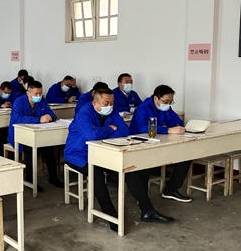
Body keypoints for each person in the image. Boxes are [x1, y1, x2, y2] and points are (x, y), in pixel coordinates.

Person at [64, 89, 173, 231]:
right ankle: (110, 214)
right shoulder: (84, 114)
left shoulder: (112, 110)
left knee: (129, 169)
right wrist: (110, 128)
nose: (110, 106)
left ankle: (147, 210)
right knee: (96, 173)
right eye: (106, 103)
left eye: (112, 102)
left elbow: (124, 131)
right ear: (95, 103)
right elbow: (92, 135)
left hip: (103, 152)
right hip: (78, 155)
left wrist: (103, 131)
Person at [129, 84, 192, 203]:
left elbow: (176, 121)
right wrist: (168, 129)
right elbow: (143, 128)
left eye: (171, 102)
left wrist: (178, 127)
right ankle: (142, 197)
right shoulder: (143, 108)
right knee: (146, 163)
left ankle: (171, 189)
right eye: (166, 101)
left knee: (185, 156)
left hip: (158, 139)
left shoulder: (165, 108)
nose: (168, 104)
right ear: (156, 98)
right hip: (140, 142)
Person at [8, 81, 63, 191]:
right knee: (30, 149)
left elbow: (52, 114)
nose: (39, 96)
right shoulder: (19, 102)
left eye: (40, 93)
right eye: (36, 94)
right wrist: (39, 119)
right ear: (28, 93)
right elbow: (18, 118)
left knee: (48, 147)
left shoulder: (42, 101)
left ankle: (53, 177)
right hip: (20, 136)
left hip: (37, 135)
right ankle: (30, 179)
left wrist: (50, 117)